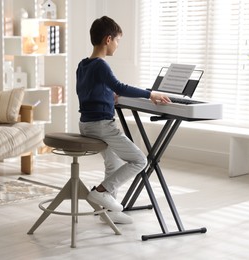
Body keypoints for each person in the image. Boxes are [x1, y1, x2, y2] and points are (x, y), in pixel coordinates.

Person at [76, 16, 171, 224]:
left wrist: (109, 96)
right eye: (118, 41)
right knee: (140, 160)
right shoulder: (101, 65)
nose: (118, 46)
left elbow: (87, 92)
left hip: (86, 124)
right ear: (108, 39)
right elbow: (120, 86)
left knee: (113, 164)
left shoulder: (83, 65)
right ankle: (101, 191)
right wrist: (151, 94)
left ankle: (109, 212)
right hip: (102, 125)